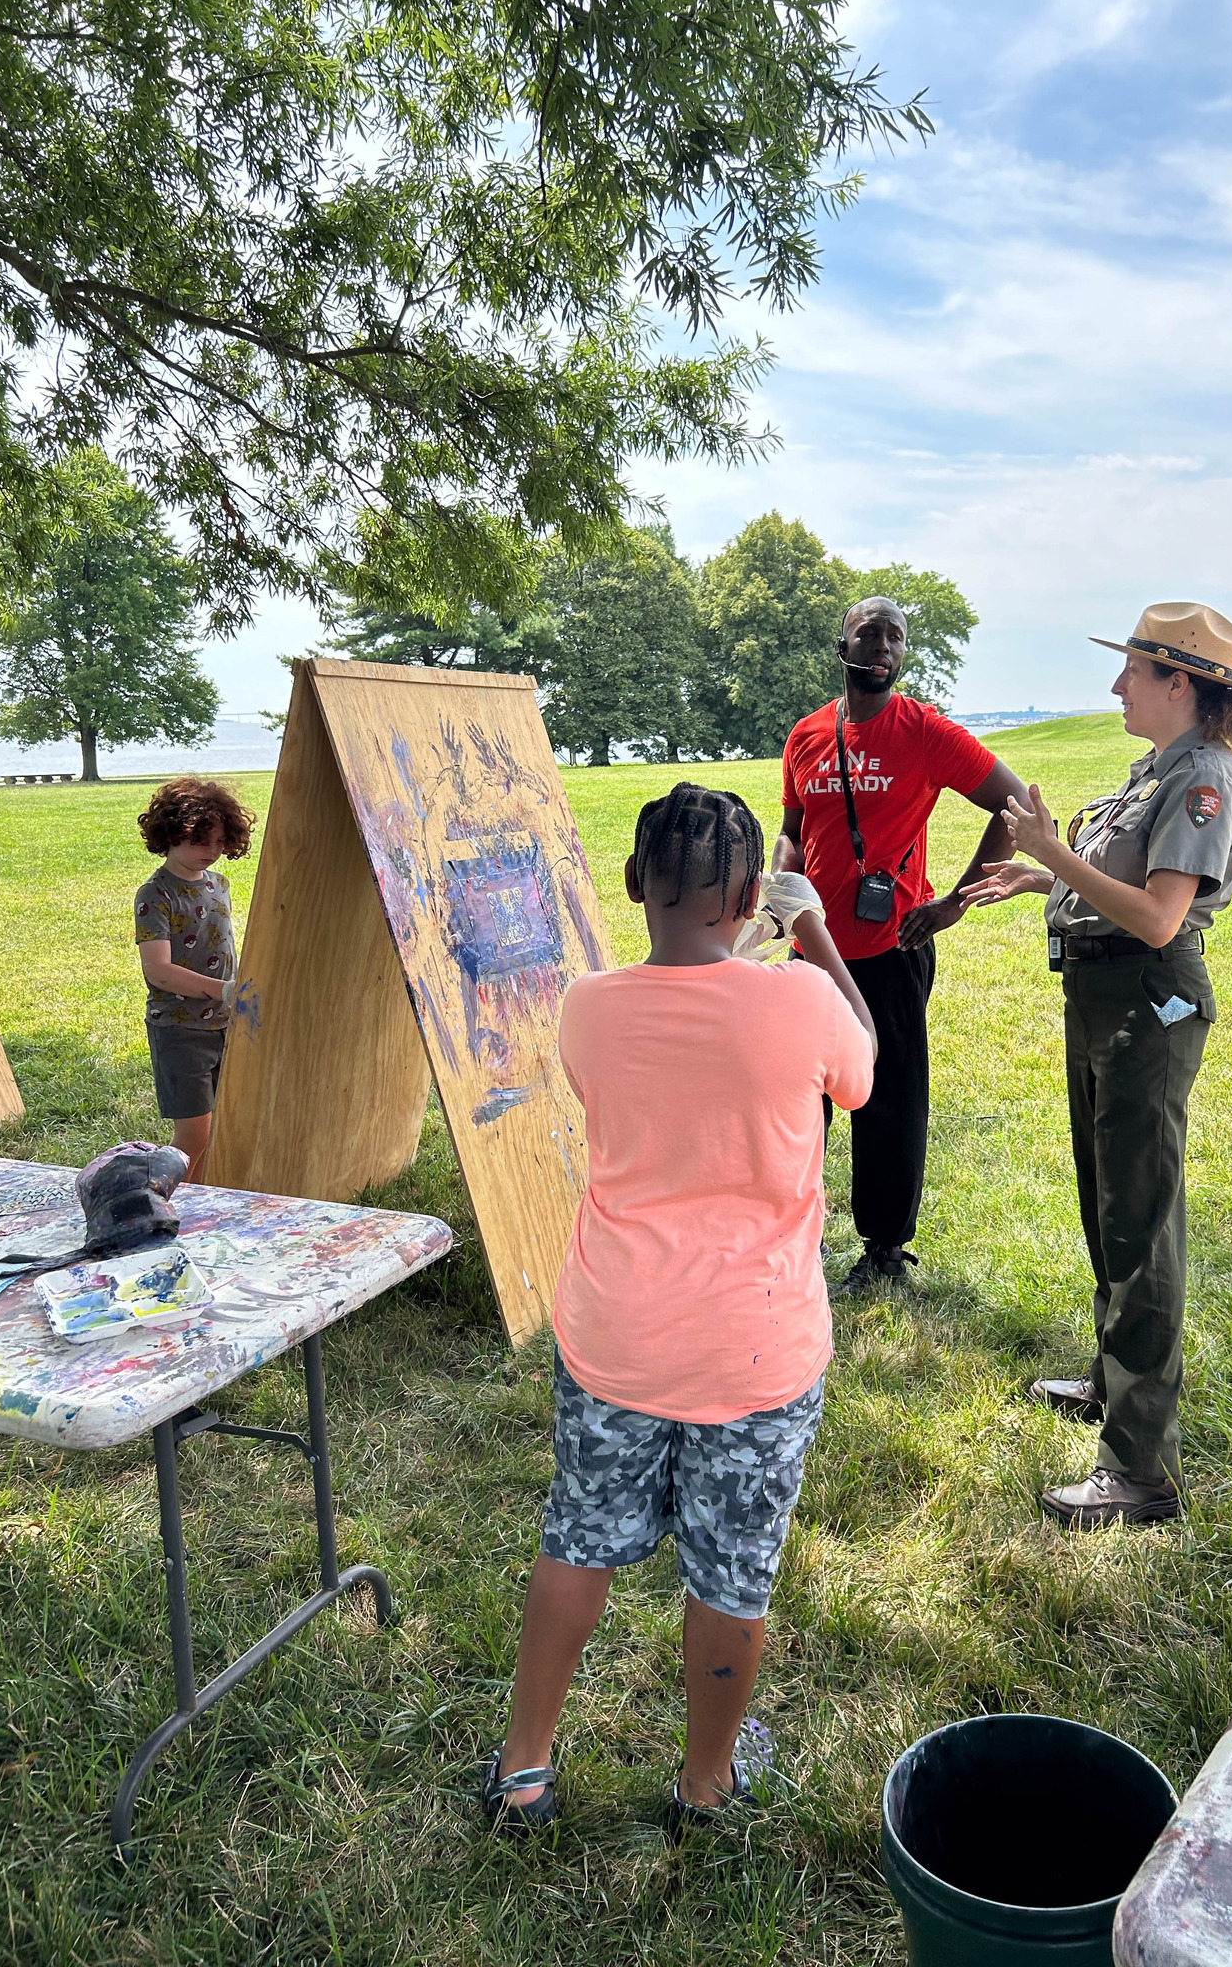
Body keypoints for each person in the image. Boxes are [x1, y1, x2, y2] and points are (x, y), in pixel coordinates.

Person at [483, 784, 875, 1834]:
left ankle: (522, 1765)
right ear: (751, 893)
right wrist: (814, 932)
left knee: (577, 1536)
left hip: (616, 1330)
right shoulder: (798, 996)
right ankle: (705, 1781)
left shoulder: (587, 1005)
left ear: (631, 885)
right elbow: (863, 1068)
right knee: (732, 1567)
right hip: (755, 1346)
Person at [961, 603, 1232, 1529]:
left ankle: (1141, 1468)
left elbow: (1160, 916)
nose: (1116, 686)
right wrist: (1043, 876)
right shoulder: (1159, 772)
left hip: (1147, 1002)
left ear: (1180, 682)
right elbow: (1119, 886)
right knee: (1107, 1199)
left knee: (1140, 1220)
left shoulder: (1205, 778)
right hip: (1103, 998)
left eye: (1131, 670)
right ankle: (1114, 1379)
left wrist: (1052, 850)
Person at [773, 596, 1031, 1293]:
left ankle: (884, 1252)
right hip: (813, 951)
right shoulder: (805, 737)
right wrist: (779, 893)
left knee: (888, 1100)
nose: (884, 646)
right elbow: (795, 828)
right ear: (843, 646)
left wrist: (954, 903)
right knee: (803, 1099)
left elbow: (1016, 808)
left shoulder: (925, 732)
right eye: (870, 634)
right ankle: (793, 1232)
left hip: (892, 947)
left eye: (896, 638)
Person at [133, 777, 255, 1183]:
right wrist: (220, 990)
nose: (212, 852)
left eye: (220, 843)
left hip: (225, 1024)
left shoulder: (218, 884)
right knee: (193, 1135)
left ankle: (202, 1200)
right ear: (169, 834)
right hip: (181, 1028)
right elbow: (158, 970)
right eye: (201, 841)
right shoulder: (156, 894)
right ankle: (166, 1204)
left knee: (221, 1128)